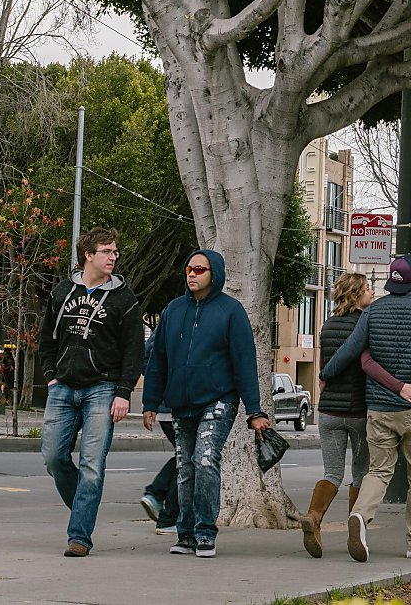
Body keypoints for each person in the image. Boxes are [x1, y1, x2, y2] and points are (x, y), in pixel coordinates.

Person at [142, 248, 270, 559]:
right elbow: (157, 360)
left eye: (199, 270)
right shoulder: (172, 311)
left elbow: (244, 363)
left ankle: (204, 533)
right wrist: (150, 402)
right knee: (185, 468)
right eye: (189, 269)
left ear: (214, 274)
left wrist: (254, 410)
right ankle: (184, 535)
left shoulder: (231, 311)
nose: (192, 274)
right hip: (180, 404)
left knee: (205, 460)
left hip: (219, 401)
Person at [321, 255, 411, 564]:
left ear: (391, 280)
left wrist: (325, 374)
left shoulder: (373, 312)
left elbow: (351, 351)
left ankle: (360, 516)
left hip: (378, 408)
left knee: (378, 470)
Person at [37, 228, 147, 557]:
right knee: (54, 458)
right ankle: (83, 510)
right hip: (63, 387)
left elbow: (134, 350)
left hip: (103, 388)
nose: (113, 257)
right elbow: (46, 339)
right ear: (88, 254)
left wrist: (123, 392)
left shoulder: (124, 299)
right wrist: (51, 377)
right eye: (106, 251)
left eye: (115, 252)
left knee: (92, 465)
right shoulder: (62, 292)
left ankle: (79, 537)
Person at [301, 272, 372, 557]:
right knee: (361, 472)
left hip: (328, 410)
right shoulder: (366, 323)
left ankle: (314, 517)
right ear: (355, 295)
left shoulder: (327, 326)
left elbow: (323, 364)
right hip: (359, 410)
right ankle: (357, 529)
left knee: (332, 472)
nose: (372, 293)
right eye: (367, 289)